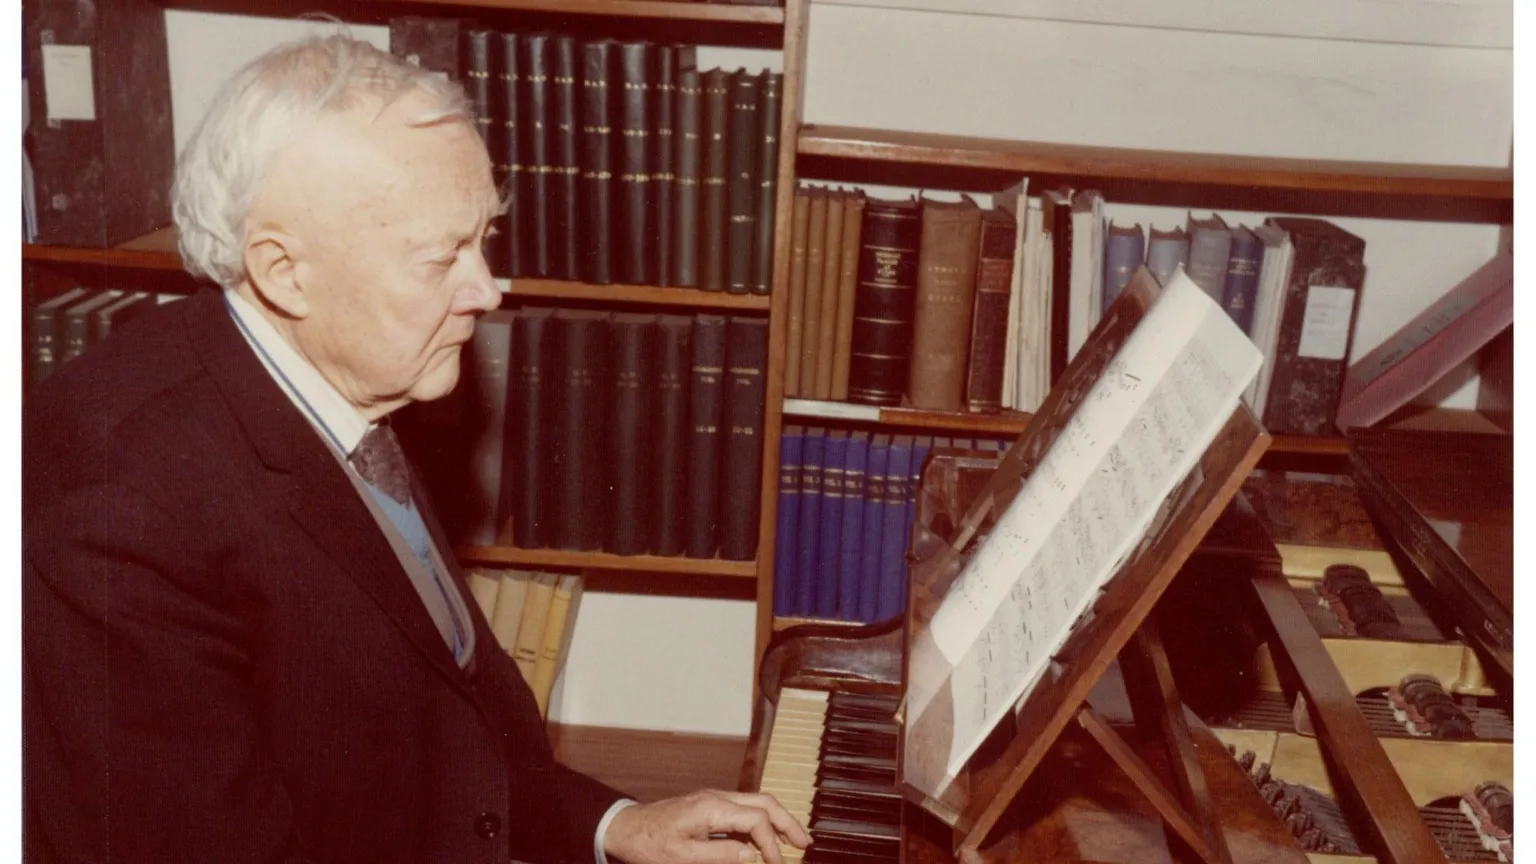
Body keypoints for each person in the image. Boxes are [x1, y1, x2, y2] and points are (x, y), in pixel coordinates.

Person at [22, 34, 810, 864]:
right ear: (286, 273)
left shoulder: (338, 368)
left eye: (483, 239)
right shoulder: (121, 506)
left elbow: (438, 723)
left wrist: (612, 826)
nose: (488, 289)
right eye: (442, 258)